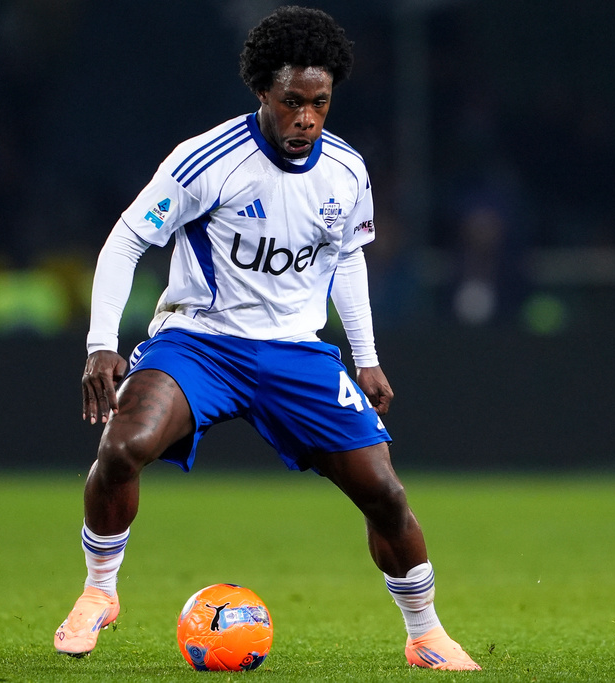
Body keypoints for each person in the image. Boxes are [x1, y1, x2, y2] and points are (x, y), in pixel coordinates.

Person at [53, 6, 480, 672]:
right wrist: (100, 342)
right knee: (122, 445)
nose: (306, 117)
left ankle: (425, 631)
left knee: (385, 492)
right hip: (200, 343)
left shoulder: (345, 169)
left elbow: (347, 258)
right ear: (263, 91)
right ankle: (99, 592)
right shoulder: (207, 160)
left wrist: (365, 357)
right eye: (292, 102)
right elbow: (129, 237)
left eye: (320, 102)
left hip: (296, 352)